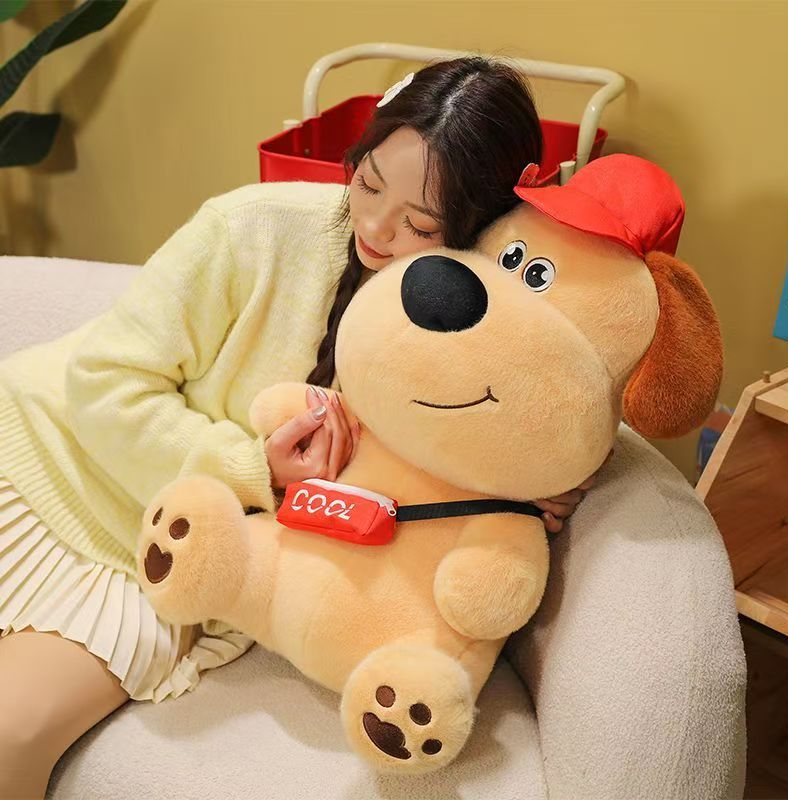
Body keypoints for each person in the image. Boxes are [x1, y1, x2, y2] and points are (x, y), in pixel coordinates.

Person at [0, 55, 609, 798]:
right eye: (368, 184)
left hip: (166, 555)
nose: (376, 227)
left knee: (12, 732)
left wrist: (519, 487)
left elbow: (484, 447)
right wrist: (252, 469)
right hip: (39, 457)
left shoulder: (477, 321)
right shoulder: (252, 228)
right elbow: (103, 380)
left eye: (420, 223)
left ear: (477, 228)